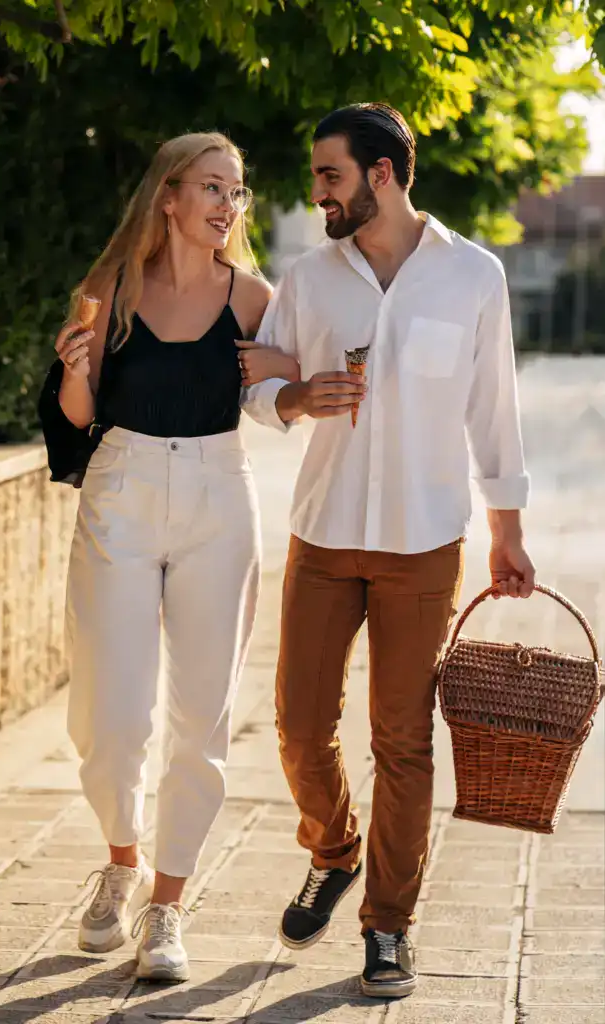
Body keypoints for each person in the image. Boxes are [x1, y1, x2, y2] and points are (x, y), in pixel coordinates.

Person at [242, 103, 536, 1000]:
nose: (315, 192)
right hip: (323, 529)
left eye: (328, 175)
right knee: (297, 725)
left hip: (423, 539)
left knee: (402, 741)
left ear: (380, 174)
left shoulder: (473, 276)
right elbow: (257, 382)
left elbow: (493, 407)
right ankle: (334, 852)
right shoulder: (307, 276)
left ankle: (387, 929)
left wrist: (506, 530)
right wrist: (296, 399)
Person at [54, 132, 298, 982]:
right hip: (119, 489)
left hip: (216, 500)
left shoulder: (254, 298)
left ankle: (166, 905)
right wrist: (75, 372)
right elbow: (75, 421)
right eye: (210, 187)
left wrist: (282, 372)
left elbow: (281, 392)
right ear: (168, 196)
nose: (228, 204)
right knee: (110, 715)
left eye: (236, 189)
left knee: (201, 717)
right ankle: (119, 863)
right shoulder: (109, 288)